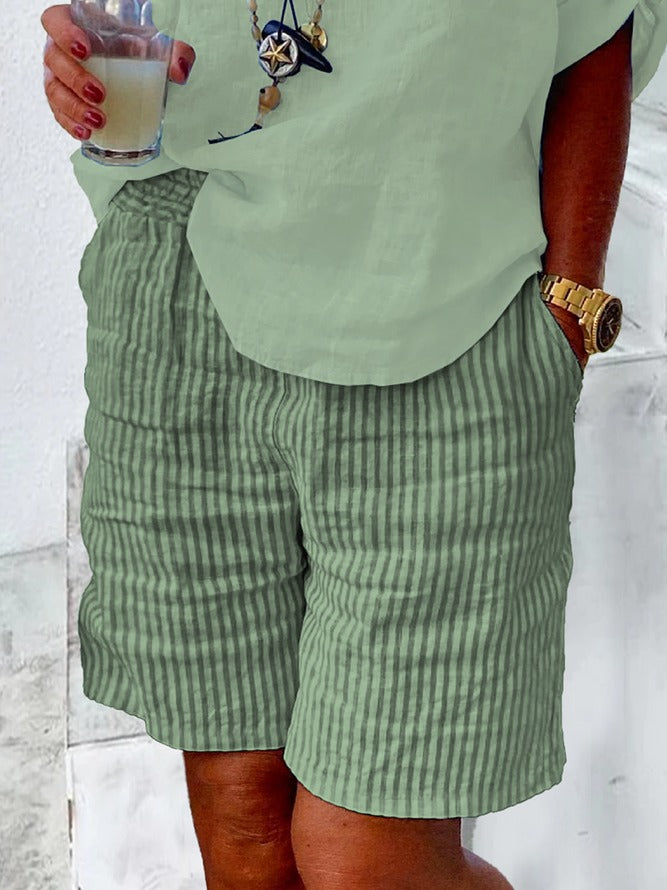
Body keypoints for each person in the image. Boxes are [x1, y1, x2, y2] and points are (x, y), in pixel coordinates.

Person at [41, 2, 667, 888]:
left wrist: (570, 300)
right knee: (245, 825)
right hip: (184, 287)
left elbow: (599, 21)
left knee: (366, 856)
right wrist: (78, 71)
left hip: (445, 301)